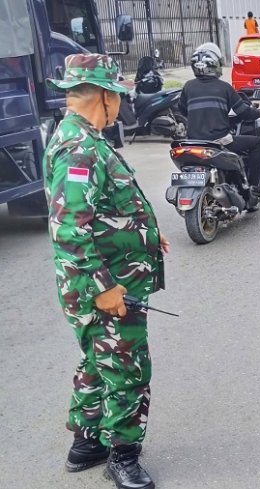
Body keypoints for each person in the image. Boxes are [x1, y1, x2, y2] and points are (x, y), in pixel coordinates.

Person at [43, 54, 169, 489]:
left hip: (112, 274)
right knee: (128, 368)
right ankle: (123, 455)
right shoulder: (80, 147)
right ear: (104, 95)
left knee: (99, 360)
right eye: (117, 94)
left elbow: (99, 212)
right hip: (106, 285)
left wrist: (144, 235)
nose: (120, 103)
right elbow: (69, 229)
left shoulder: (84, 137)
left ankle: (87, 443)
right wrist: (103, 288)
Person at [178, 42, 260, 197]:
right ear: (215, 65)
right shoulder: (224, 87)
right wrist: (259, 113)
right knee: (257, 143)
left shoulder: (188, 87)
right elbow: (244, 113)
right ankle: (254, 188)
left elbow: (182, 110)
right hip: (219, 141)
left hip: (193, 142)